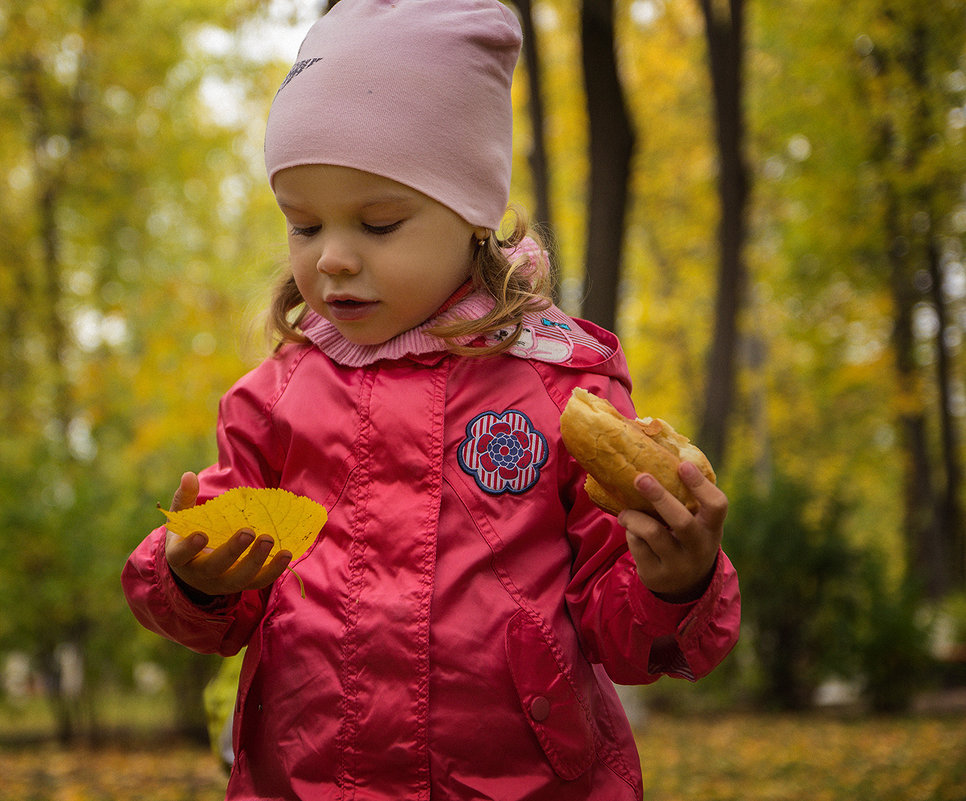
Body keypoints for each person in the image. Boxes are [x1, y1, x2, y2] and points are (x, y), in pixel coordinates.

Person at [121, 1, 740, 799]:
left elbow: (627, 638)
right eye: (304, 225)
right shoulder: (274, 399)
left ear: (473, 213)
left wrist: (677, 581)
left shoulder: (556, 385)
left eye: (379, 223)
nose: (334, 258)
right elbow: (222, 607)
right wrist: (192, 577)